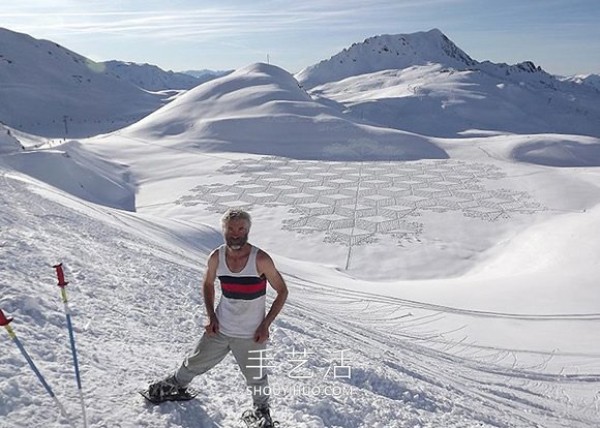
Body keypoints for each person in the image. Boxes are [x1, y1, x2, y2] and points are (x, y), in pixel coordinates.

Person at [146, 208, 288, 426]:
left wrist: (265, 325)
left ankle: (262, 411)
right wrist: (212, 316)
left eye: (241, 228)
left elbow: (282, 290)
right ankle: (175, 385)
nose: (236, 233)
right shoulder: (217, 257)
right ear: (224, 230)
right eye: (231, 228)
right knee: (195, 360)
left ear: (247, 230)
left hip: (251, 334)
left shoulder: (260, 259)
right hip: (221, 327)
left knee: (256, 377)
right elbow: (207, 283)